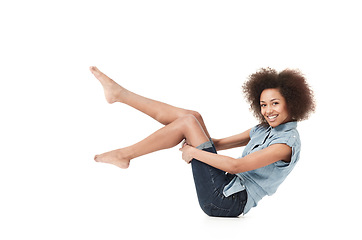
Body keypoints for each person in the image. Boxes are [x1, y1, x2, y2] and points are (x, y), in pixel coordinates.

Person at [89, 66, 315, 217]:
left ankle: (124, 154)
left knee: (188, 122)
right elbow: (217, 143)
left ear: (292, 103)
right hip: (225, 186)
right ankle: (121, 95)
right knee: (194, 117)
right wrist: (196, 141)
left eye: (275, 103)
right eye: (264, 105)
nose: (268, 110)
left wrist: (194, 152)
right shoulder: (265, 129)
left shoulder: (286, 143)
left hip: (227, 201)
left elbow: (237, 166)